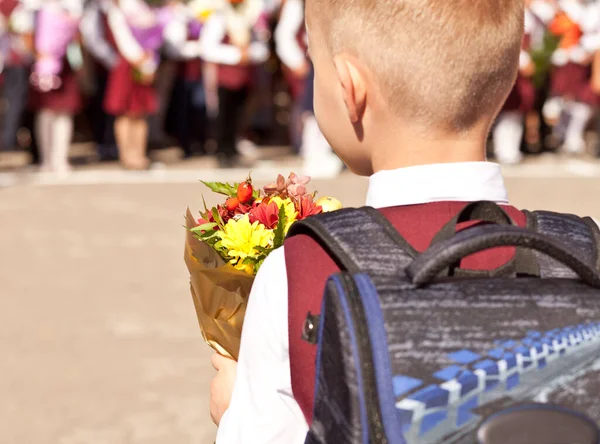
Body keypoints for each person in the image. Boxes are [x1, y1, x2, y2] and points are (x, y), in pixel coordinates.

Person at [208, 0, 562, 442]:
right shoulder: (577, 254)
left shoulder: (299, 269)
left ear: (349, 88)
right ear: (507, 78)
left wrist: (236, 412)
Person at [200, 0, 270, 168]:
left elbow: (261, 46)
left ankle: (233, 146)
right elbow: (208, 47)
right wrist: (236, 55)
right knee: (224, 114)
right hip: (225, 75)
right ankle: (222, 150)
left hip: (245, 75)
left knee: (240, 114)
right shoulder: (219, 16)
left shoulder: (250, 16)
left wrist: (249, 54)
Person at [103, 0, 165, 170]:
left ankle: (139, 154)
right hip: (128, 63)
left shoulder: (144, 7)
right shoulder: (117, 10)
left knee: (140, 111)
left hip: (145, 61)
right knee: (125, 111)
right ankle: (126, 154)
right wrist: (139, 59)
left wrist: (149, 62)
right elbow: (122, 38)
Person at [29, 0, 84, 175]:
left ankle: (60, 158)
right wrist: (41, 56)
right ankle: (46, 158)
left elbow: (77, 39)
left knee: (64, 112)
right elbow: (26, 34)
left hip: (64, 63)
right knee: (45, 112)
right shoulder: (36, 9)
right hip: (43, 65)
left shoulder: (71, 7)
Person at [163, 0, 206, 158]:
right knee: (184, 110)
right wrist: (199, 47)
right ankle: (185, 143)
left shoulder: (194, 13)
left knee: (199, 109)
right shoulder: (175, 18)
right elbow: (175, 49)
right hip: (183, 73)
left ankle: (199, 141)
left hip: (198, 71)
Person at [80, 0, 119, 162]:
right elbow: (93, 40)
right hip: (102, 67)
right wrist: (114, 61)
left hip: (115, 65)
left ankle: (112, 143)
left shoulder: (115, 9)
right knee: (101, 106)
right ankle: (103, 143)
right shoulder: (93, 9)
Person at [0, 0, 34, 153]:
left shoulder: (21, 8)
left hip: (14, 64)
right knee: (13, 104)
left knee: (14, 104)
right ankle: (7, 141)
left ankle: (8, 141)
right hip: (11, 63)